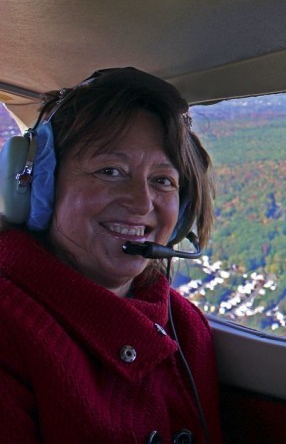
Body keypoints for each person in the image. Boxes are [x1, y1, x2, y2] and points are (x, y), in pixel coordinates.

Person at [0, 68, 223, 443]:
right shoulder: (9, 328)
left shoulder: (185, 327)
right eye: (111, 171)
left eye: (162, 180)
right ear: (40, 185)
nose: (141, 203)